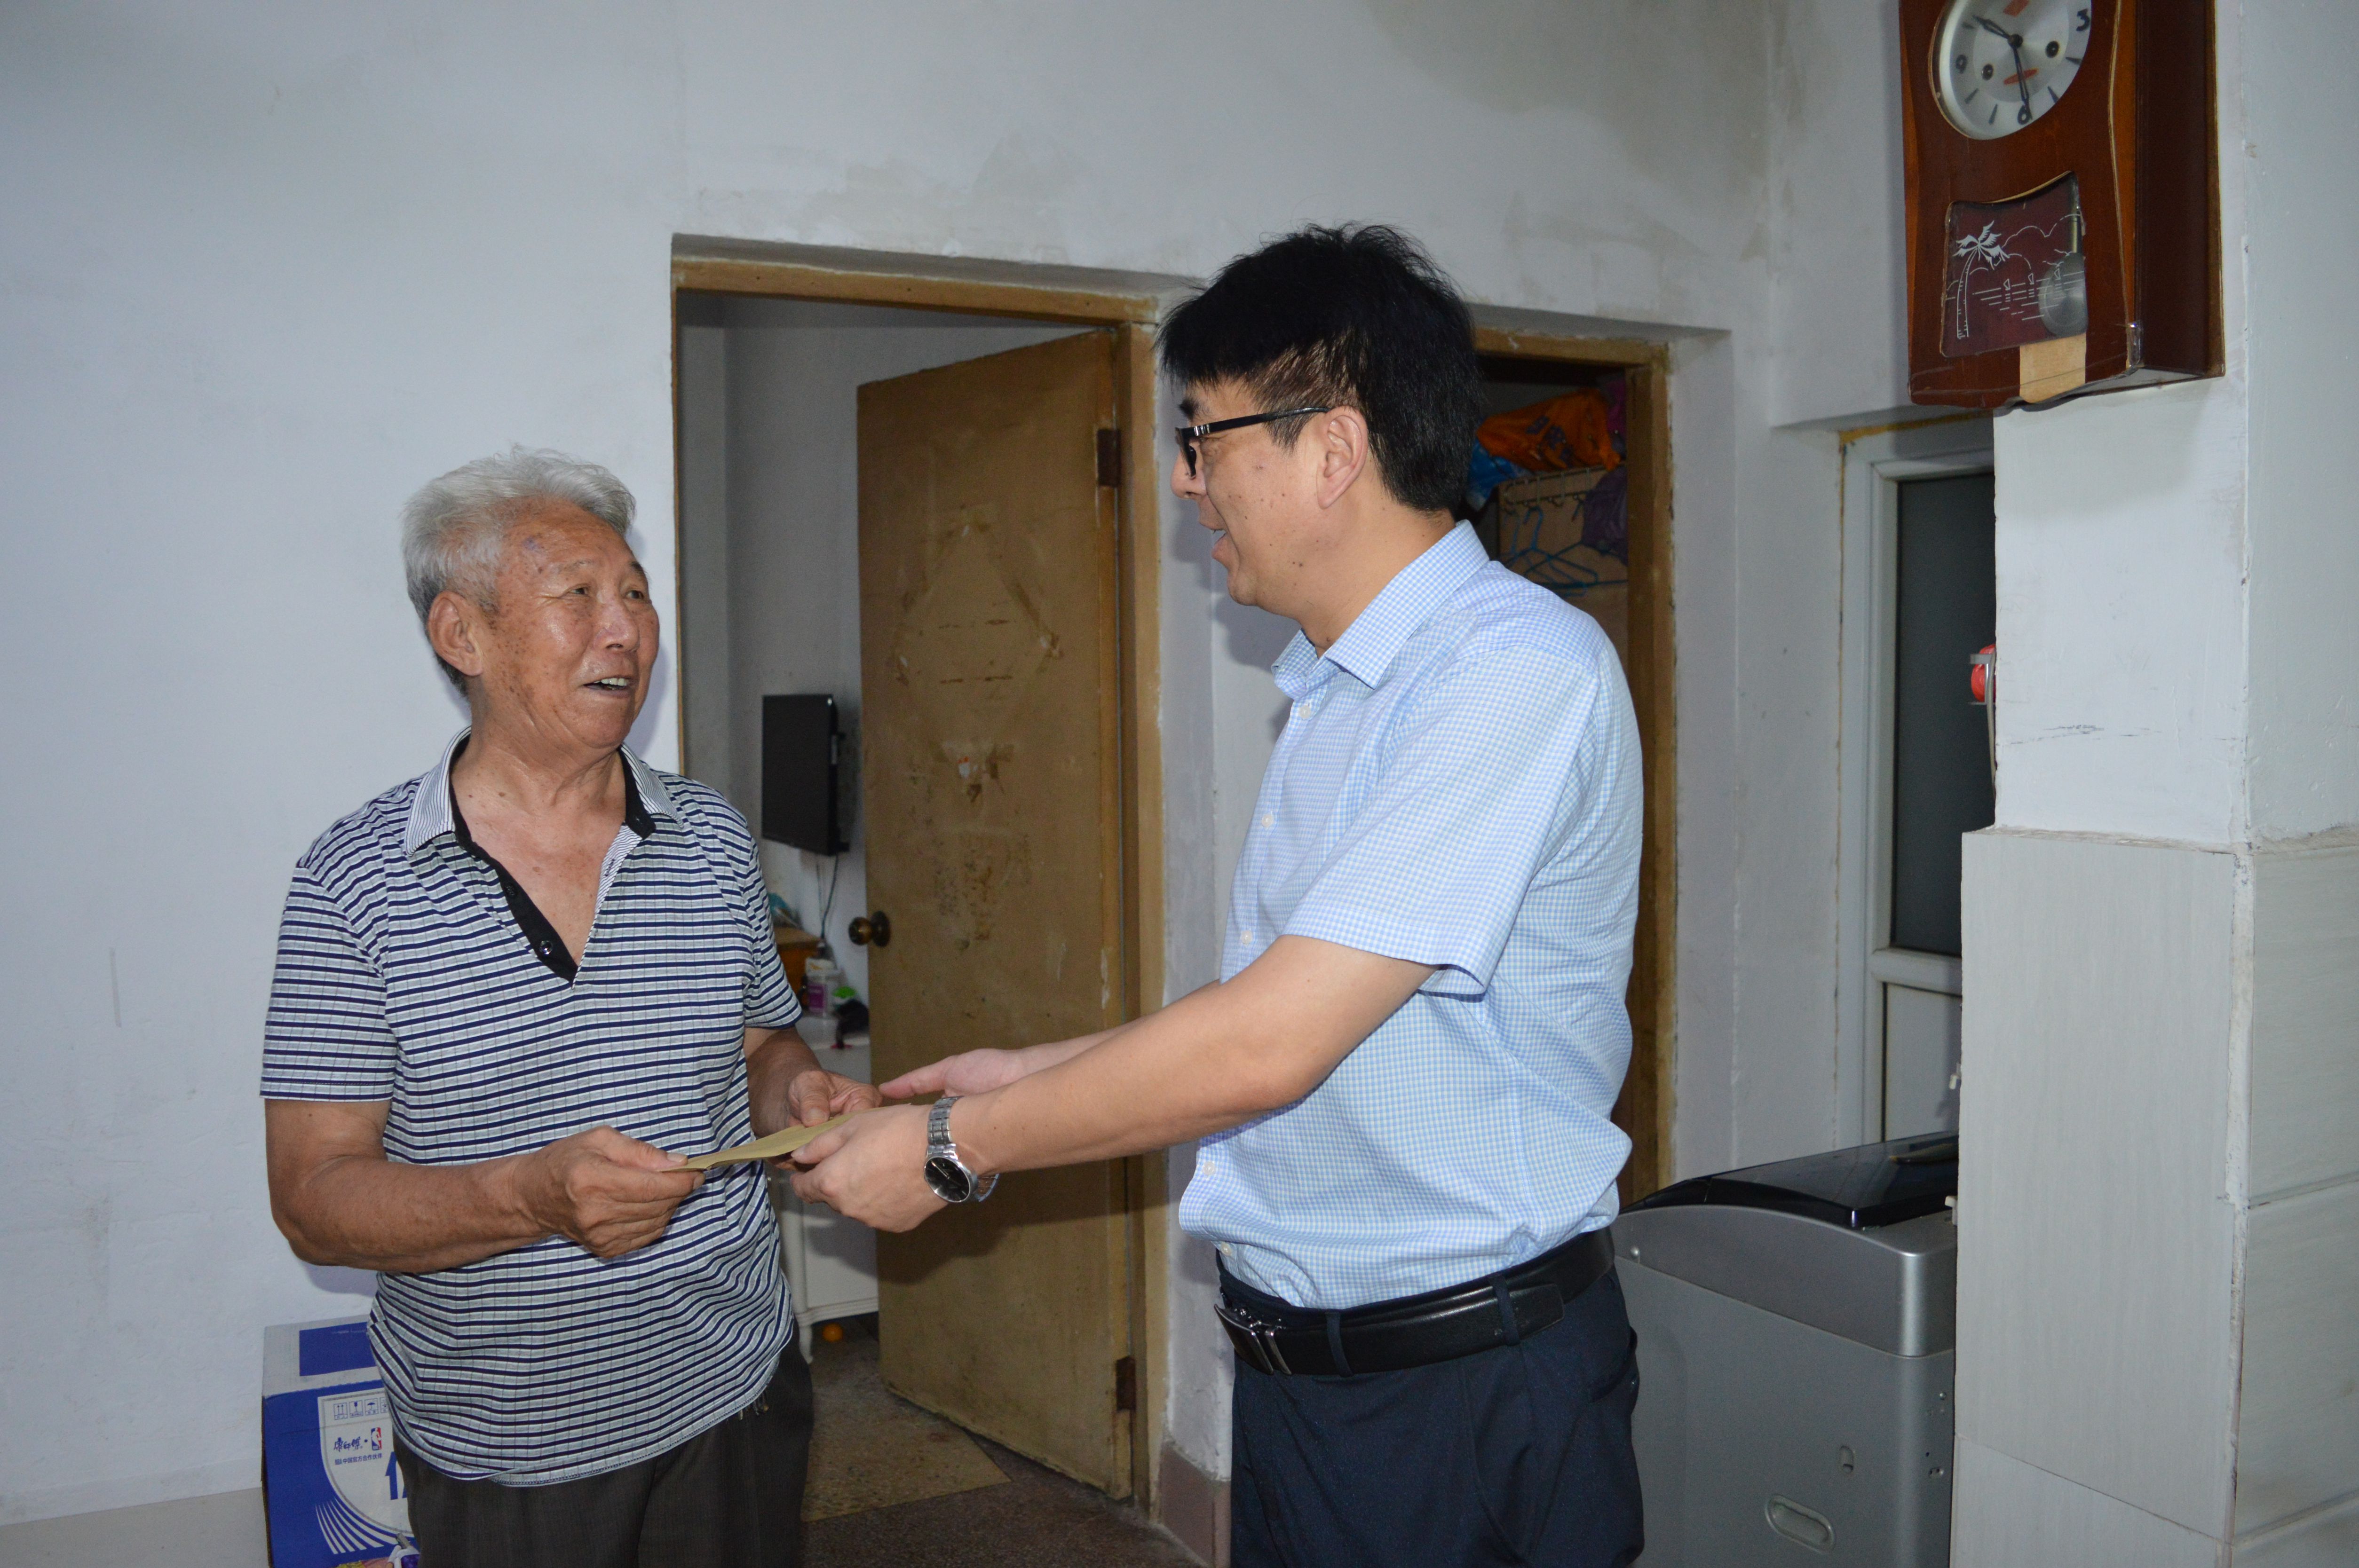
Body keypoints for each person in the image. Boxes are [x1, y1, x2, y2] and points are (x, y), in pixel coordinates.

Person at [790, 226, 1646, 1566]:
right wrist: (1025, 1071)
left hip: (1460, 1392)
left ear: (1333, 449)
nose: (1188, 481)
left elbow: (1268, 1045)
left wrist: (961, 1149)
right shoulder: (1338, 689)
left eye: (1203, 437)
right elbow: (1284, 1008)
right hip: (1316, 1382)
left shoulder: (1510, 673)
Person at [262, 448, 878, 1568]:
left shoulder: (710, 837)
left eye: (635, 594)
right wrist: (531, 1197)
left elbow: (760, 1041)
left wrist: (799, 1091)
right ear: (462, 633)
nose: (625, 630)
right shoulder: (354, 883)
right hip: (504, 1443)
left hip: (731, 1390)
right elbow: (314, 1200)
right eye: (578, 595)